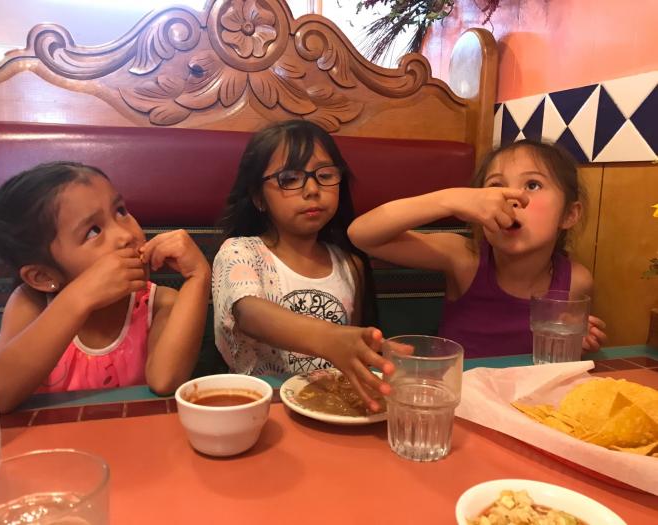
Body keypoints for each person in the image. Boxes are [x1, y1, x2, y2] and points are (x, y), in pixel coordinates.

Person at [0, 162, 211, 412]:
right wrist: (81, 297)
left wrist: (198, 276)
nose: (125, 235)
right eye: (93, 231)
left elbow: (165, 381)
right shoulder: (31, 304)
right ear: (42, 276)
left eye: (120, 211)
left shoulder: (159, 303)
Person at [348, 139, 607, 358]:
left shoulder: (576, 281)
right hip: (460, 394)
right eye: (495, 186)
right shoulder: (464, 258)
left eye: (532, 185)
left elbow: (558, 362)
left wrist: (578, 343)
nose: (510, 198)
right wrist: (450, 200)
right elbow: (362, 234)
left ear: (569, 215)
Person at [213, 120, 397, 411]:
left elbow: (352, 348)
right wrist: (330, 338)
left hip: (330, 408)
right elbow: (249, 313)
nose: (312, 189)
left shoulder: (350, 264)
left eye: (325, 175)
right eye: (289, 179)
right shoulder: (240, 251)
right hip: (262, 409)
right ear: (259, 197)